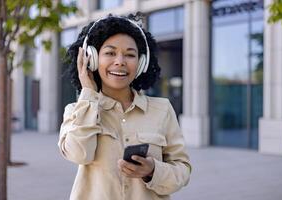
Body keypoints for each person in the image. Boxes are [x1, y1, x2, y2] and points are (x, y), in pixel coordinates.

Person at [58, 13, 191, 200]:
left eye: (130, 54)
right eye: (110, 53)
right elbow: (79, 154)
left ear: (141, 63)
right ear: (92, 59)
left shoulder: (162, 110)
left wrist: (153, 170)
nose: (120, 61)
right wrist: (88, 93)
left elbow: (182, 170)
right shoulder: (76, 111)